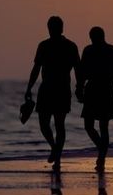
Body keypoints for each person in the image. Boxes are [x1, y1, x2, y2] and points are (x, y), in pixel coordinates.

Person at [25, 16, 80, 170]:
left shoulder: (70, 46)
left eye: (55, 27)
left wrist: (80, 87)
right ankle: (55, 148)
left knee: (59, 124)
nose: (53, 30)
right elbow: (36, 69)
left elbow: (78, 69)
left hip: (61, 89)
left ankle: (57, 156)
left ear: (61, 29)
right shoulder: (43, 45)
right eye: (51, 27)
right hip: (47, 89)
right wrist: (29, 87)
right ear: (48, 28)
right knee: (44, 124)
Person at [76, 26, 113, 172]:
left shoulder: (93, 50)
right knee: (93, 126)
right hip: (102, 90)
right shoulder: (106, 50)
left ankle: (102, 157)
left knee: (98, 126)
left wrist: (79, 88)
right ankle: (102, 151)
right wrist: (79, 88)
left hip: (99, 89)